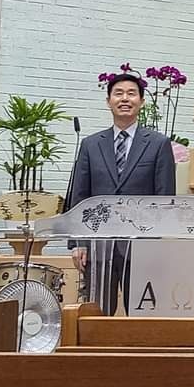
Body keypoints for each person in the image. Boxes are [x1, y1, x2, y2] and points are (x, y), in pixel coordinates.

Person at [68, 73, 176, 315]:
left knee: (142, 316)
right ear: (108, 101)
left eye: (131, 93)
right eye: (118, 93)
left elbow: (164, 198)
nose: (125, 99)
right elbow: (80, 197)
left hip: (142, 247)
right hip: (98, 247)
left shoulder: (158, 144)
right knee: (96, 315)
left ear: (141, 101)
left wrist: (157, 245)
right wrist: (78, 243)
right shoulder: (90, 145)